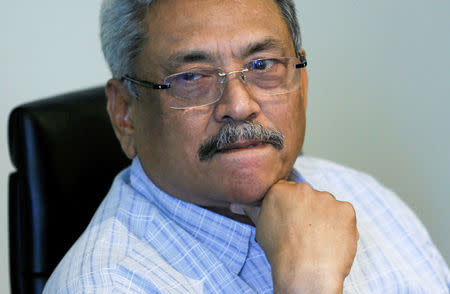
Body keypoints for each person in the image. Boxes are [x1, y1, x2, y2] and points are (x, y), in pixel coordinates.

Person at [43, 0, 450, 293]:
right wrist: (307, 285)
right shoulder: (104, 284)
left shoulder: (367, 197)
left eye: (263, 66)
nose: (239, 105)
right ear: (125, 112)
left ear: (301, 85)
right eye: (192, 77)